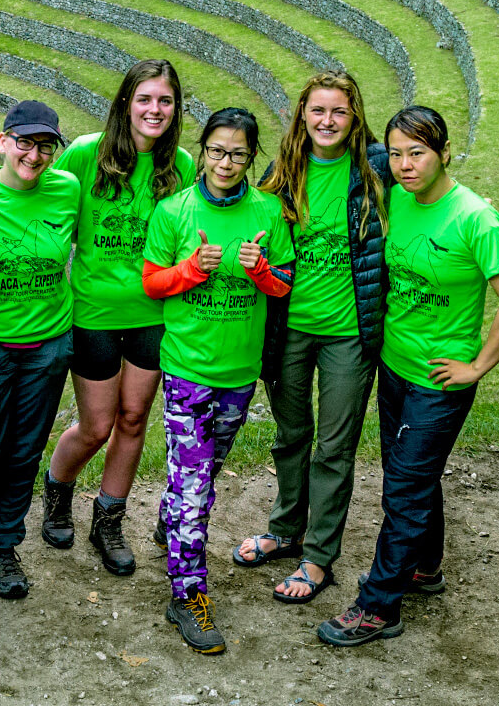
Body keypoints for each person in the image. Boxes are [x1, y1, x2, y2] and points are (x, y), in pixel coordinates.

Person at [318, 106, 499, 646]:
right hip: (394, 366)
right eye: (396, 153)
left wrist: (477, 365)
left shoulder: (474, 217)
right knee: (410, 475)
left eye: (417, 153)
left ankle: (378, 607)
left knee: (404, 491)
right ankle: (425, 568)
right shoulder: (400, 202)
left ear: (443, 153)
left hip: (439, 383)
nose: (405, 165)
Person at [142, 108, 293, 653]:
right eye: (216, 151)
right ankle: (188, 596)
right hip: (187, 371)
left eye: (237, 154)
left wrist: (260, 271)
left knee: (204, 472)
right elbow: (152, 284)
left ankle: (169, 525)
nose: (225, 163)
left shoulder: (269, 212)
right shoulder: (173, 210)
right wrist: (190, 269)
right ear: (201, 150)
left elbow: (282, 286)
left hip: (238, 374)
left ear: (251, 157)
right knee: (195, 487)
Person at [241, 70, 392, 604]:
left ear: (354, 118)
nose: (327, 121)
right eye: (318, 110)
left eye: (339, 112)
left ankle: (319, 555)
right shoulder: (281, 172)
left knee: (334, 447)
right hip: (290, 328)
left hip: (349, 332)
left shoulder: (376, 168)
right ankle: (285, 530)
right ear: (302, 114)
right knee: (290, 435)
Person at [43, 59, 196, 576]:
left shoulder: (183, 166)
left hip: (154, 311)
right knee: (95, 426)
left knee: (133, 420)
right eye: (145, 98)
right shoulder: (86, 153)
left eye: (165, 100)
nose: (155, 109)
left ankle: (108, 519)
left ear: (176, 109)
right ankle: (58, 492)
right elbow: (42, 203)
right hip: (94, 312)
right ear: (126, 103)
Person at [0, 101, 79, 599]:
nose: (35, 154)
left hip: (48, 345)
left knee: (25, 449)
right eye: (25, 143)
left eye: (45, 145)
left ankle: (3, 545)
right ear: (2, 141)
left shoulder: (67, 190)